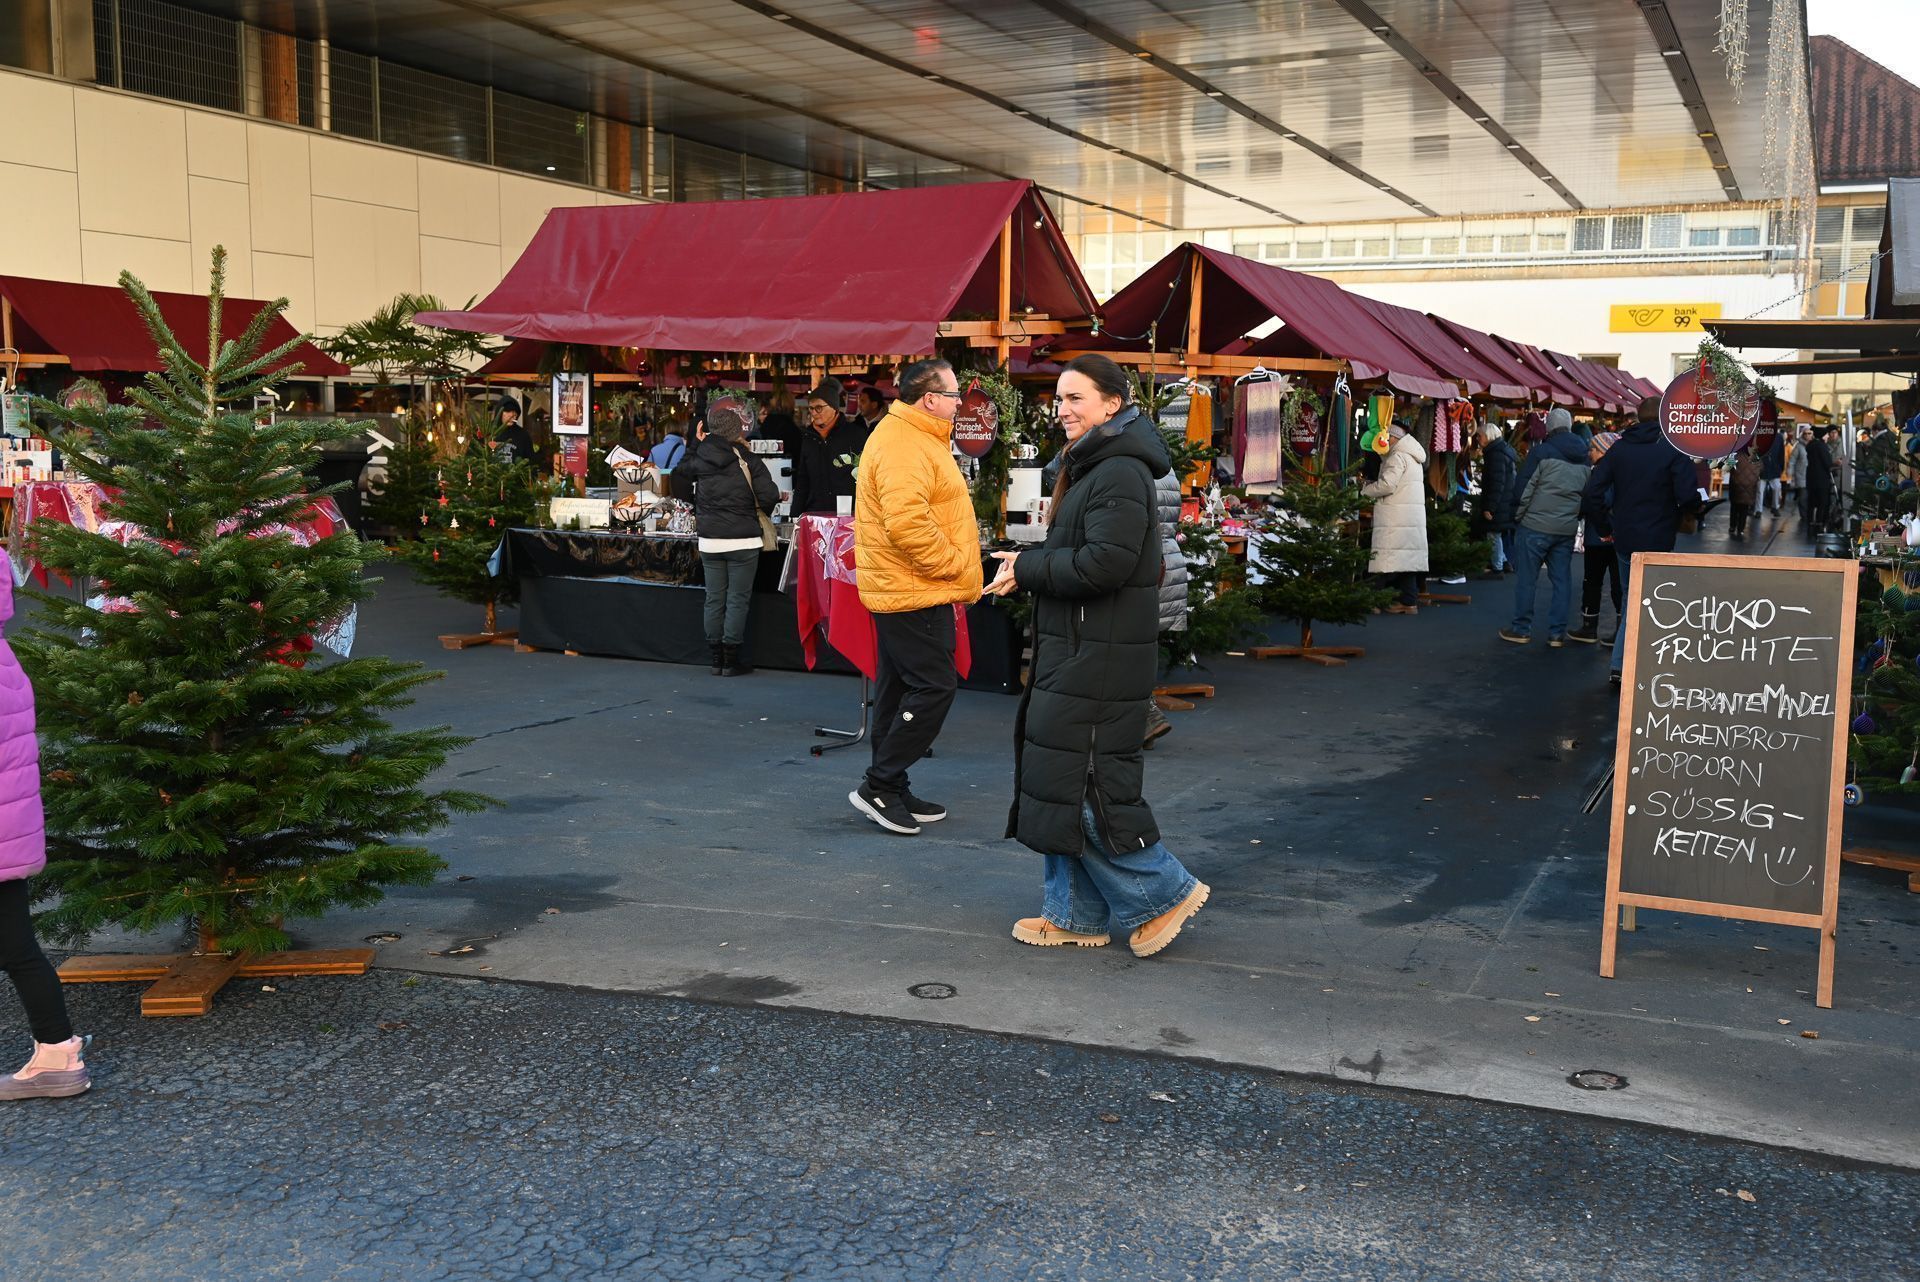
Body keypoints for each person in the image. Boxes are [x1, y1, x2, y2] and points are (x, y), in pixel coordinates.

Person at [985, 354, 1208, 958]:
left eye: (1076, 399)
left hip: (1098, 654)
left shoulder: (1118, 472)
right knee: (1062, 776)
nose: (1063, 411)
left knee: (1086, 781)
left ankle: (1163, 892)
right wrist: (1023, 569)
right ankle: (1074, 914)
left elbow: (1103, 565)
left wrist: (1029, 567)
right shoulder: (1093, 465)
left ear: (1112, 404)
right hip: (1082, 646)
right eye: (1059, 400)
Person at [848, 358, 981, 836]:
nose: (959, 401)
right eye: (953, 394)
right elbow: (908, 524)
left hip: (909, 584)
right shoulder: (905, 441)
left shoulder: (911, 435)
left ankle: (890, 783)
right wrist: (954, 564)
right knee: (934, 686)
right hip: (915, 586)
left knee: (899, 686)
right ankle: (881, 783)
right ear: (929, 399)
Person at [0, 568, 91, 1100]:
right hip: (9, 831)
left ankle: (57, 1055)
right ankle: (56, 1054)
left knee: (15, 947)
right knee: (15, 945)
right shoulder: (6, 660)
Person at [1582, 395, 1702, 686]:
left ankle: (1621, 664)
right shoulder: (1673, 449)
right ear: (1663, 417)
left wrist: (1605, 525)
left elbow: (1591, 492)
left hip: (1624, 537)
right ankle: (1641, 665)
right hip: (1659, 537)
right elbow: (1687, 495)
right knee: (1654, 602)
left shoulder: (1620, 448)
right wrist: (1694, 508)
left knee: (1631, 598)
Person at [671, 401, 779, 677]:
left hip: (710, 539)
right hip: (744, 540)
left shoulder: (700, 458)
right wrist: (754, 513)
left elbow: (678, 479)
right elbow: (769, 495)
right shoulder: (747, 459)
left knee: (714, 598)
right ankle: (731, 660)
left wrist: (694, 446)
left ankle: (716, 658)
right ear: (736, 431)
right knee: (737, 599)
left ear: (708, 430)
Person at [1500, 407, 1589, 646]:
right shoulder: (1585, 456)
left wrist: (1518, 517)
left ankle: (1521, 629)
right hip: (1565, 528)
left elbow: (1524, 489)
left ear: (1549, 427)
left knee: (1527, 580)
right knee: (1562, 581)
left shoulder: (1541, 452)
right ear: (1570, 426)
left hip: (1535, 526)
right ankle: (1557, 633)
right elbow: (1587, 494)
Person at [1360, 422, 1429, 614]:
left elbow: (1387, 485)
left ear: (1393, 438)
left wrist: (1365, 490)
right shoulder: (1412, 455)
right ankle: (1409, 602)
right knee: (1407, 561)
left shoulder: (1397, 456)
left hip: (1394, 517)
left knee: (1383, 559)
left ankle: (1373, 602)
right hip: (1409, 517)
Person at [1144, 467, 1187, 749]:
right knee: (1144, 647)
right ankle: (1145, 722)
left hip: (1149, 565)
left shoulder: (1130, 465)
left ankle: (1147, 717)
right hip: (1168, 562)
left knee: (1129, 649)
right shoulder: (1165, 469)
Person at [1568, 430, 1623, 646]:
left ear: (1602, 450)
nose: (1589, 452)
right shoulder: (1623, 470)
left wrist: (1601, 526)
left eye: (1593, 448)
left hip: (1598, 536)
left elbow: (1597, 499)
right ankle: (1620, 629)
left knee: (1592, 582)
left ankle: (1589, 628)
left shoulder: (1602, 471)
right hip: (1618, 535)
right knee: (1618, 583)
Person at [791, 377, 870, 515]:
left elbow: (868, 477)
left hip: (850, 514)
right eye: (811, 408)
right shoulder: (808, 437)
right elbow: (802, 481)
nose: (814, 412)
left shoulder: (856, 435)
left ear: (834, 407)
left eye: (819, 408)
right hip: (815, 514)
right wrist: (794, 516)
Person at [1474, 420, 1518, 578]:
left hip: (1498, 503)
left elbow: (1496, 483)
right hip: (1505, 501)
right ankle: (1505, 563)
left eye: (1480, 436)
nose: (1477, 439)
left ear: (1488, 436)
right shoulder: (1502, 451)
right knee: (1496, 533)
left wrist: (1489, 507)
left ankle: (1497, 567)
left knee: (1493, 534)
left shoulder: (1495, 455)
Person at [1805, 425, 1838, 533]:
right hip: (1822, 479)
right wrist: (1835, 463)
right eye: (1826, 434)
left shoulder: (1811, 445)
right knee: (1822, 502)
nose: (1828, 436)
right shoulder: (1822, 447)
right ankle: (1820, 522)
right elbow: (1827, 463)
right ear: (1822, 436)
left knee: (1811, 502)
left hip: (1811, 478)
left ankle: (1810, 522)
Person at [1727, 447, 1761, 541]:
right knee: (1744, 509)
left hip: (1736, 485)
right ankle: (1741, 529)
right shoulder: (1756, 456)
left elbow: (1729, 466)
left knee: (1734, 507)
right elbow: (1761, 468)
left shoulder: (1736, 454)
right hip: (1749, 487)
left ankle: (1732, 526)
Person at [1787, 425, 1812, 520]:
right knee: (1802, 498)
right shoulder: (1798, 446)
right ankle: (1804, 516)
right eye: (1805, 433)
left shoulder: (1813, 445)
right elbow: (1792, 461)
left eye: (1809, 433)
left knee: (1810, 498)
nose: (1807, 435)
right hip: (1800, 476)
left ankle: (1809, 515)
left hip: (1811, 476)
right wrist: (1790, 474)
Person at [1759, 428, 1785, 514]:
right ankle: (1758, 510)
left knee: (1776, 488)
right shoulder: (1760, 435)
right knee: (1760, 490)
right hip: (1762, 468)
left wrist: (1781, 467)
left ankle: (1775, 507)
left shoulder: (1778, 437)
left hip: (1773, 467)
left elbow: (1781, 453)